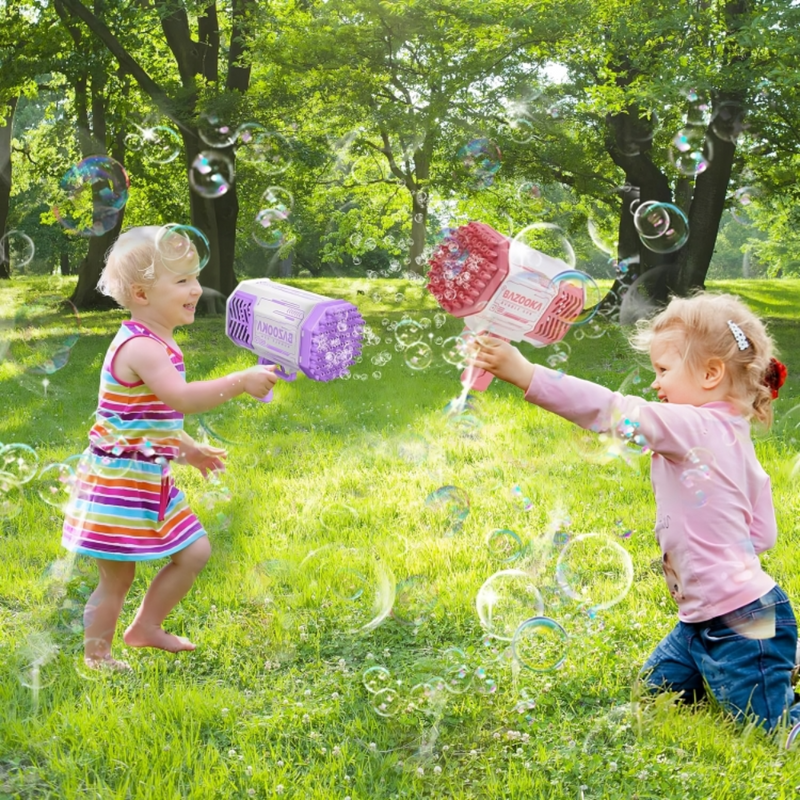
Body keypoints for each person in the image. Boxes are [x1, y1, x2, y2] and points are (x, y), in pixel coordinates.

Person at [469, 291, 796, 736]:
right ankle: (773, 662)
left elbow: (613, 412)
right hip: (702, 619)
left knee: (768, 730)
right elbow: (763, 535)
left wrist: (525, 373)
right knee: (655, 693)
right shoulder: (731, 436)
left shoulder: (693, 425)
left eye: (663, 370)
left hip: (739, 622)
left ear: (711, 373)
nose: (656, 384)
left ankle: (771, 667)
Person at [62, 226, 277, 671]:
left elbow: (145, 419)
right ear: (141, 293)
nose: (196, 288)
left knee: (195, 552)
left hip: (148, 476)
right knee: (117, 576)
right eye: (181, 281)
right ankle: (97, 656)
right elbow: (181, 398)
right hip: (118, 483)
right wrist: (240, 381)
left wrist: (189, 449)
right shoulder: (142, 346)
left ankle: (145, 627)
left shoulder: (159, 341)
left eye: (195, 277)